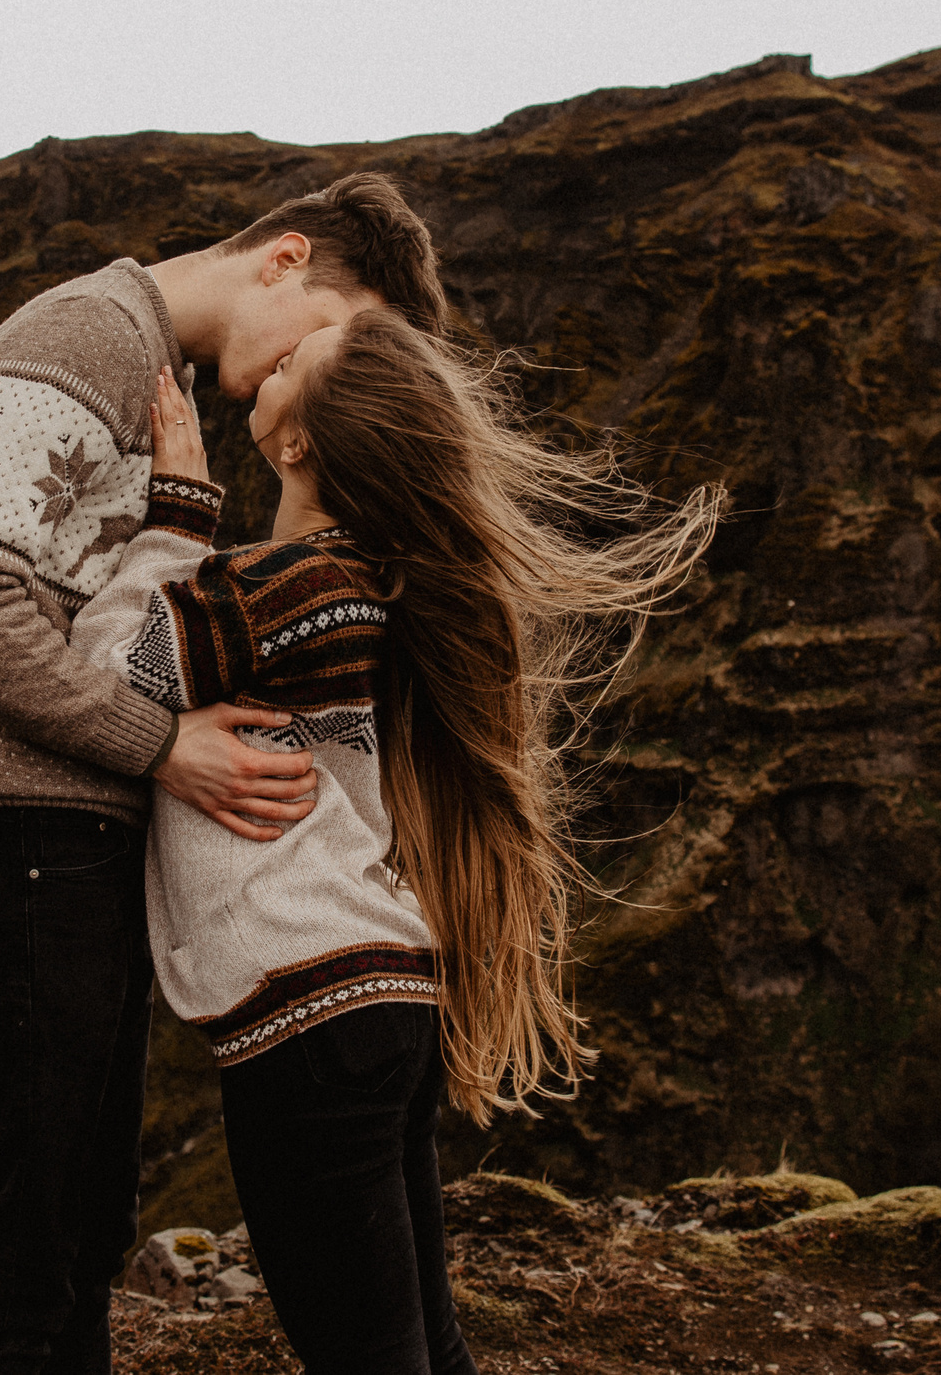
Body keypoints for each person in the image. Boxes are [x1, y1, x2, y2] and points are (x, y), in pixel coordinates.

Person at [0, 174, 450, 1373]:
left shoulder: (160, 374)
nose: (322, 370)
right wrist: (162, 744)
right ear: (283, 260)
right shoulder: (88, 334)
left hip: (65, 853)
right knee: (19, 1256)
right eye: (333, 333)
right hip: (6, 845)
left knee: (81, 1241)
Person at [69, 312, 723, 1373]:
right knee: (419, 1347)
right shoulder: (350, 586)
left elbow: (94, 676)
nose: (270, 358)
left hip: (311, 1022)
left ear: (296, 445)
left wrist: (177, 515)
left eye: (290, 366)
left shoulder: (279, 590)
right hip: (372, 1007)